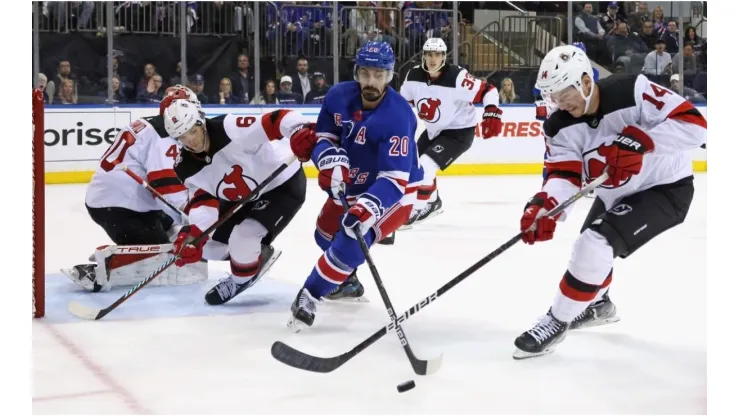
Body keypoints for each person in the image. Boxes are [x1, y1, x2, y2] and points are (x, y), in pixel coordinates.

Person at [513, 44, 706, 359]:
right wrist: (545, 206)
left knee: (593, 245)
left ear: (585, 82)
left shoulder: (632, 90)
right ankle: (600, 304)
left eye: (563, 93)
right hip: (614, 193)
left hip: (666, 189)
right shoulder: (558, 126)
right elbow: (564, 174)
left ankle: (556, 321)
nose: (559, 103)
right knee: (591, 254)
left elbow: (694, 125)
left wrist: (643, 141)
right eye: (553, 96)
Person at [286, 41, 424, 328]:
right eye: (365, 73)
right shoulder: (338, 96)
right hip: (355, 183)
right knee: (325, 235)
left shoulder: (398, 115)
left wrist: (367, 209)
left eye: (379, 74)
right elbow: (327, 139)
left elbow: (394, 180)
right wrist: (324, 158)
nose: (371, 82)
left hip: (395, 192)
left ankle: (309, 294)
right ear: (356, 72)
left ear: (390, 76)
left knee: (350, 240)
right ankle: (346, 280)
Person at [161, 96, 314, 305]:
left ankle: (241, 278)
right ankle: (253, 256)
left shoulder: (229, 128)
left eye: (193, 132)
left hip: (281, 185)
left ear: (201, 121)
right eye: (182, 137)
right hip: (244, 197)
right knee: (206, 245)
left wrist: (298, 129)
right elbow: (202, 201)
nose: (191, 141)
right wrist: (195, 232)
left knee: (243, 237)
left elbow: (278, 119)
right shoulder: (184, 166)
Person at [62, 86, 206, 292]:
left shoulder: (153, 125)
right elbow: (164, 187)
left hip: (116, 201)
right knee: (164, 257)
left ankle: (127, 248)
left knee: (173, 227)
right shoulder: (165, 137)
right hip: (119, 208)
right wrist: (194, 218)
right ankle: (107, 266)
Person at [399, 37, 503, 228]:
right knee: (413, 166)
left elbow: (489, 90)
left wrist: (491, 113)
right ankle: (433, 202)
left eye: (437, 55)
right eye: (429, 54)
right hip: (434, 131)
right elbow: (403, 104)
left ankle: (413, 209)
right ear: (423, 56)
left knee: (425, 167)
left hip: (459, 132)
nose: (433, 59)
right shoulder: (413, 76)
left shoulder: (458, 77)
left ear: (444, 57)